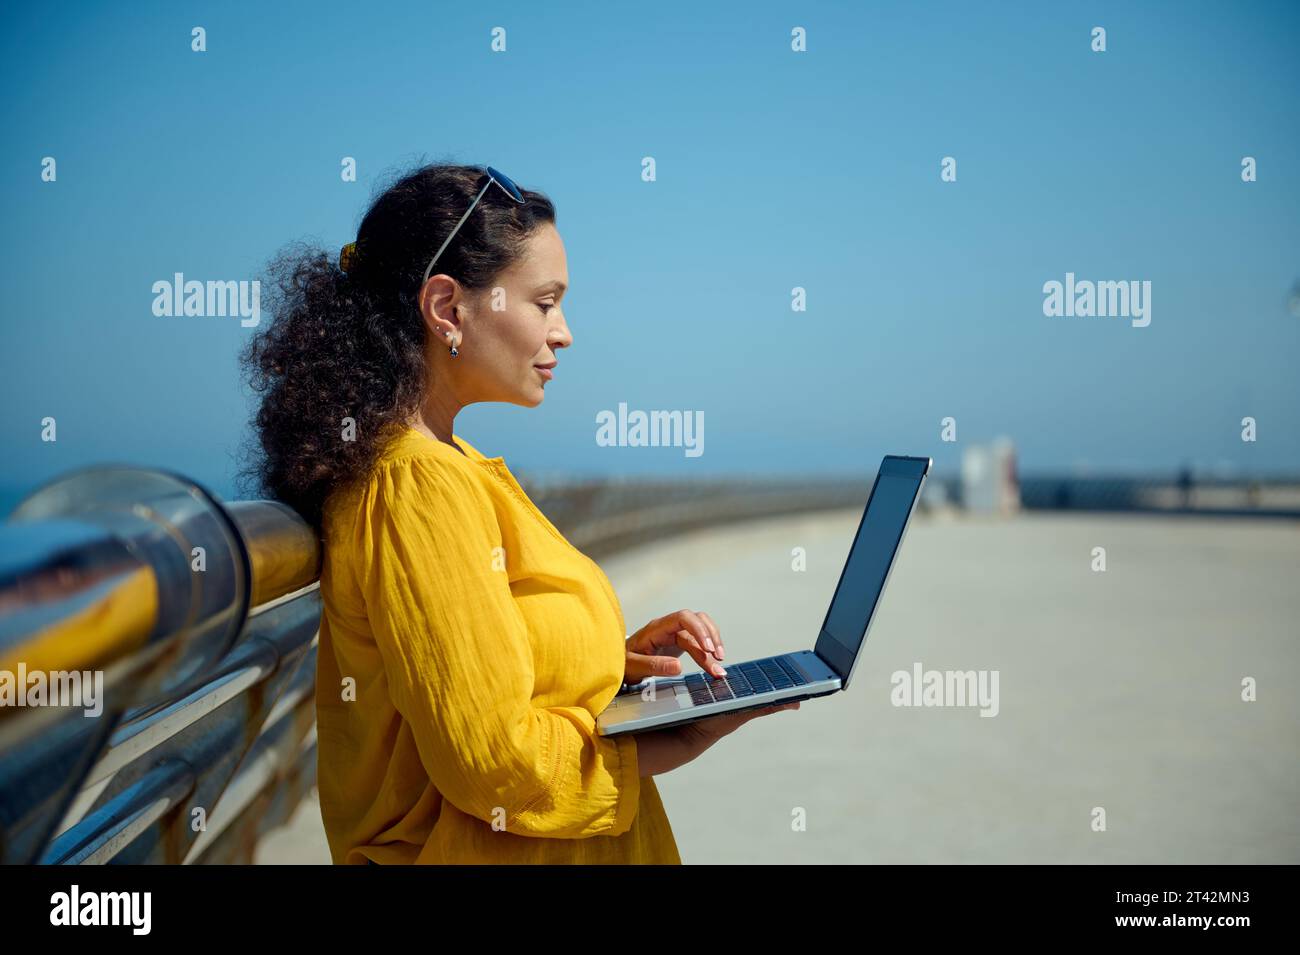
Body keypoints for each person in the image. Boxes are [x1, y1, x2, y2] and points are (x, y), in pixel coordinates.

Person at [240, 162, 797, 865]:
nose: (563, 333)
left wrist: (614, 664)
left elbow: (473, 665)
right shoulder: (417, 487)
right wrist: (676, 738)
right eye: (545, 302)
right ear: (446, 308)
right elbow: (494, 760)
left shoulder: (447, 464)